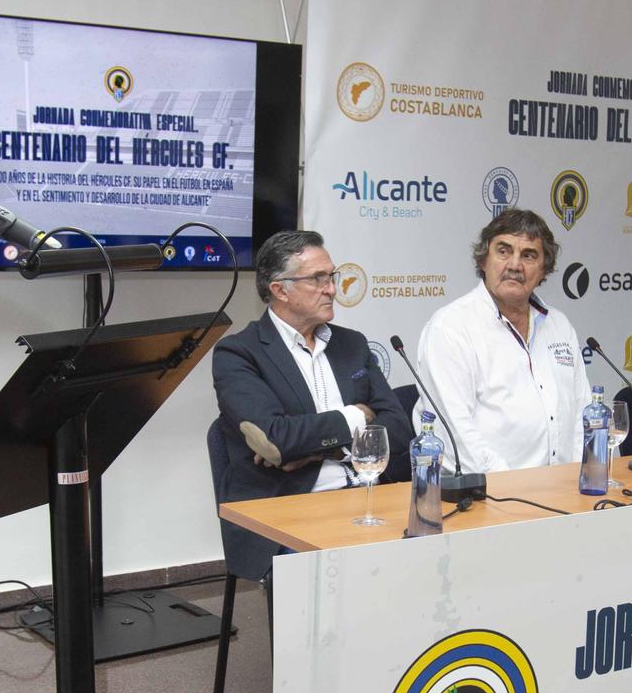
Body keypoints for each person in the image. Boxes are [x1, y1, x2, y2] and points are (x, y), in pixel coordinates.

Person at [211, 230, 409, 580]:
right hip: (287, 509)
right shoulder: (239, 354)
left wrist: (322, 449)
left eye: (330, 276)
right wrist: (357, 416)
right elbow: (277, 441)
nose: (332, 288)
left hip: (369, 499)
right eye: (318, 279)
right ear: (279, 289)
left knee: (433, 553)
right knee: (332, 585)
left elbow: (397, 427)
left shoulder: (352, 345)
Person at [412, 209, 592, 473]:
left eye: (529, 255)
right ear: (484, 260)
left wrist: (580, 481)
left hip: (564, 493)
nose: (515, 265)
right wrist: (513, 490)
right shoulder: (450, 328)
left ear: (544, 270)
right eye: (504, 251)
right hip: (487, 496)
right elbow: (456, 438)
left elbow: (582, 415)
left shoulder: (559, 325)